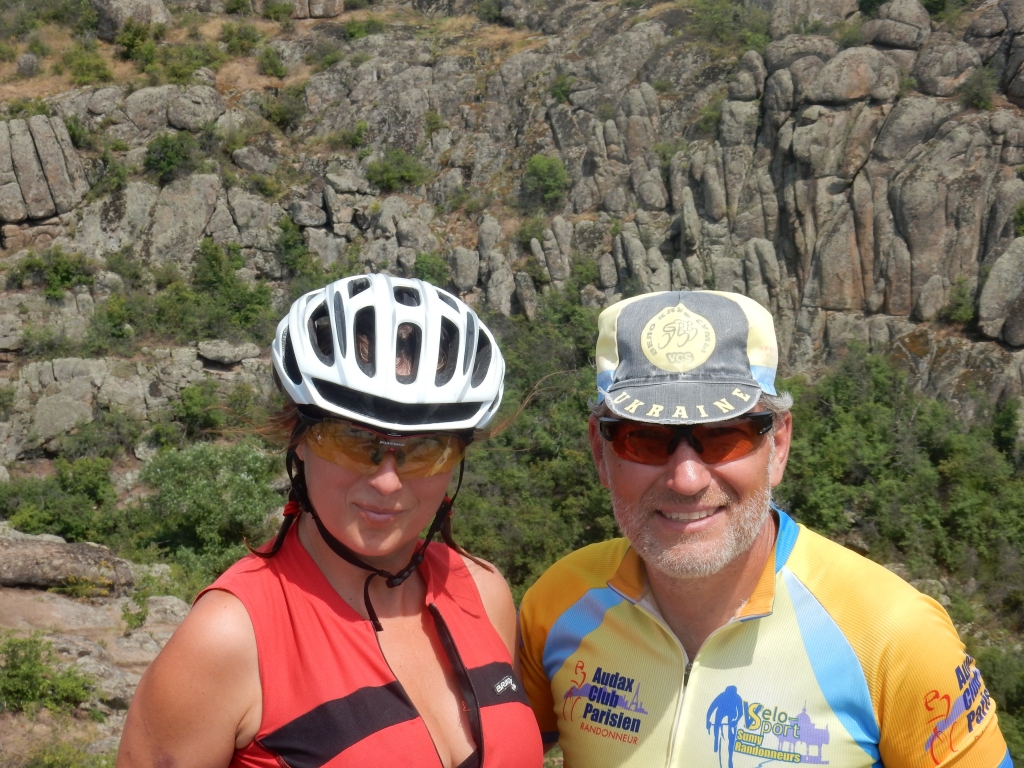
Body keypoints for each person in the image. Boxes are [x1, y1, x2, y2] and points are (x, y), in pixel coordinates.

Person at [518, 289, 1011, 768]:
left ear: (778, 446)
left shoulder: (894, 637)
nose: (687, 480)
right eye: (642, 438)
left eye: (724, 436)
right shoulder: (558, 603)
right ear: (599, 451)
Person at [117, 275, 543, 768]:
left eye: (427, 450)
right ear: (298, 438)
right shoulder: (228, 639)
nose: (387, 482)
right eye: (352, 441)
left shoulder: (483, 592)